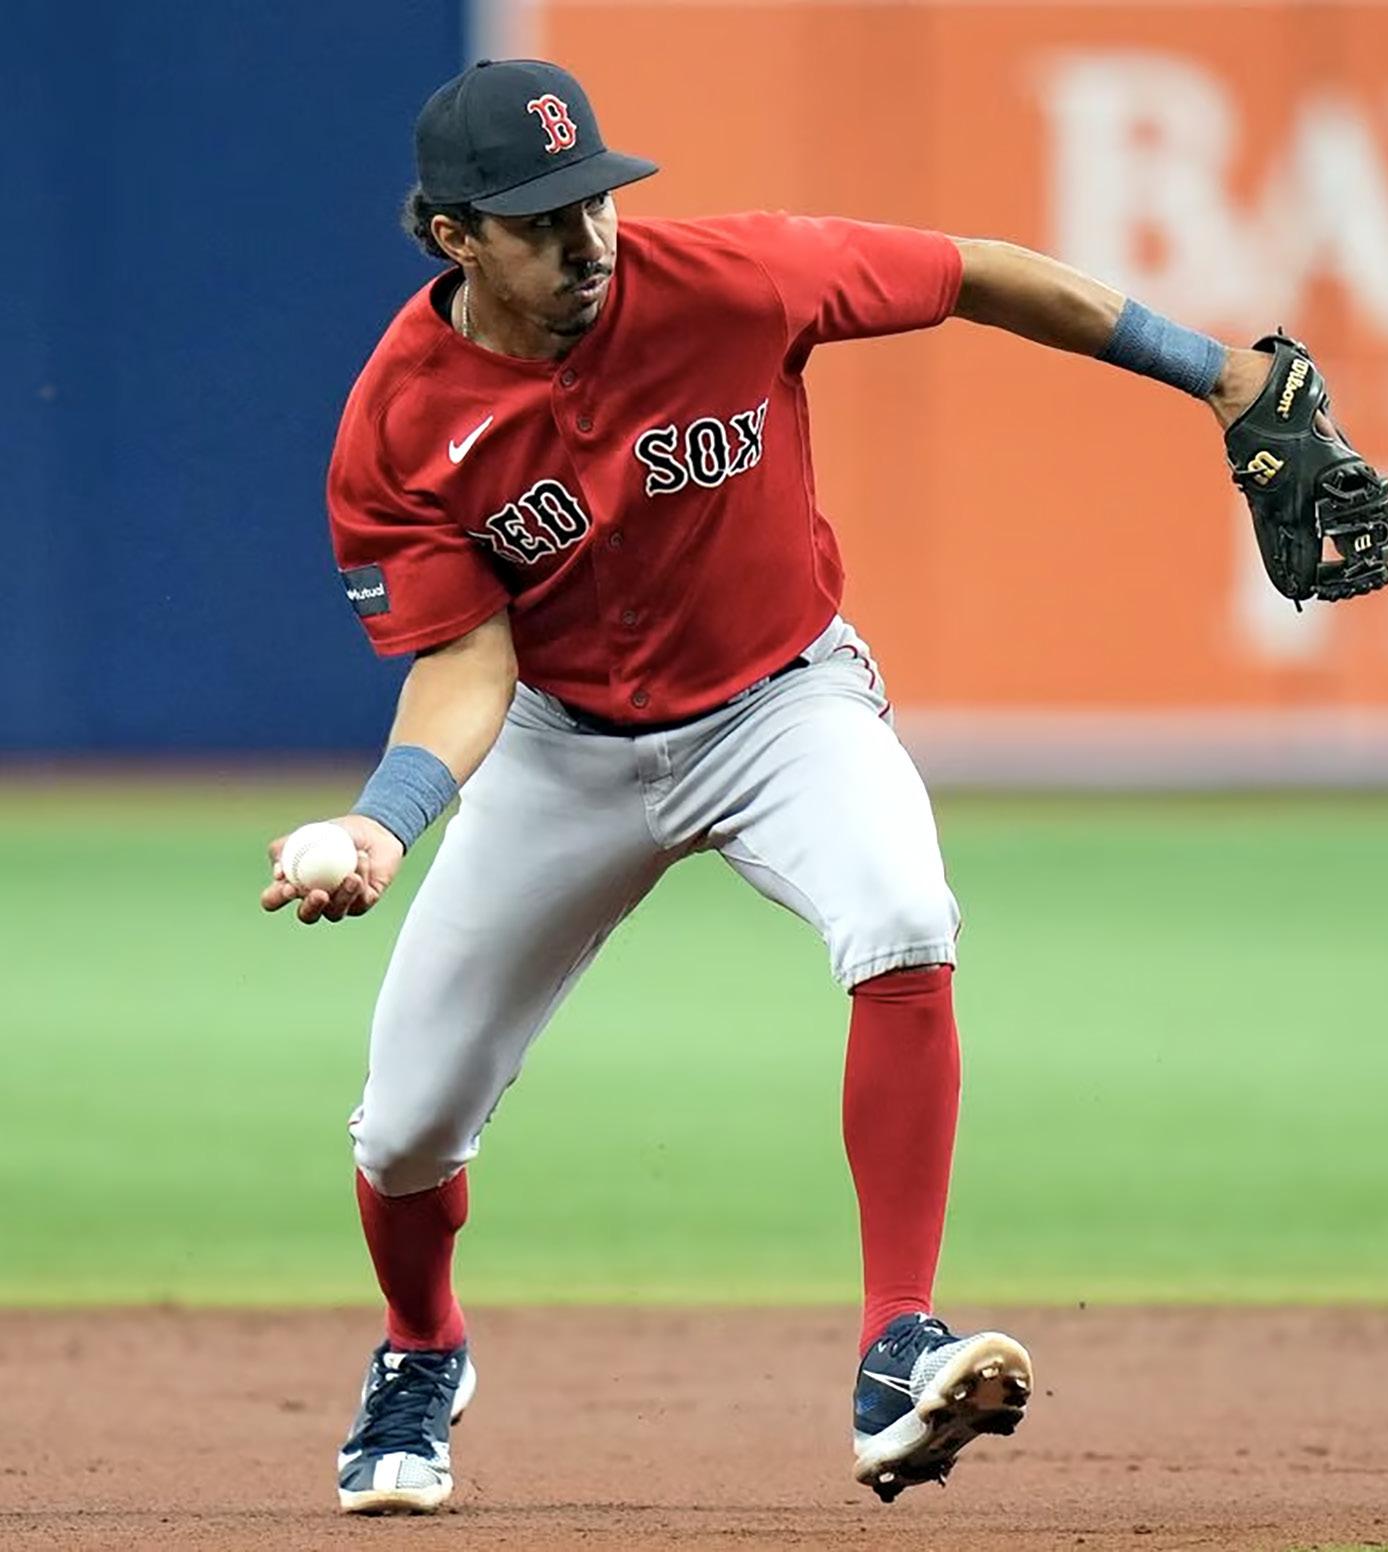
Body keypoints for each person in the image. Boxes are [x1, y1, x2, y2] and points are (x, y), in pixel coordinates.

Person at [265, 56, 1289, 1515]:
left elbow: (972, 273)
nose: (588, 242)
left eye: (596, 204)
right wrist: (385, 821)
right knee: (408, 1129)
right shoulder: (399, 421)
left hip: (780, 703)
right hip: (563, 750)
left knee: (903, 918)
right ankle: (422, 1349)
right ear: (454, 237)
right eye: (543, 222)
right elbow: (467, 667)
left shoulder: (733, 279)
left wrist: (1215, 371)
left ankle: (897, 1343)